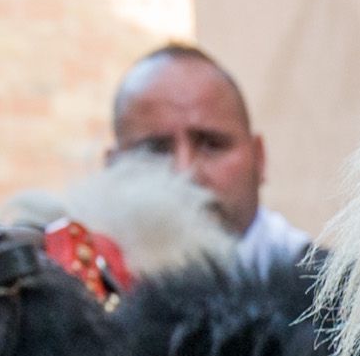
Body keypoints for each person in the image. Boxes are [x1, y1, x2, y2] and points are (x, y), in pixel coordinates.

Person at [107, 42, 312, 271]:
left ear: (259, 158)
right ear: (111, 168)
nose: (184, 173)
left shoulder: (330, 297)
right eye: (155, 151)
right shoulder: (84, 290)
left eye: (212, 145)